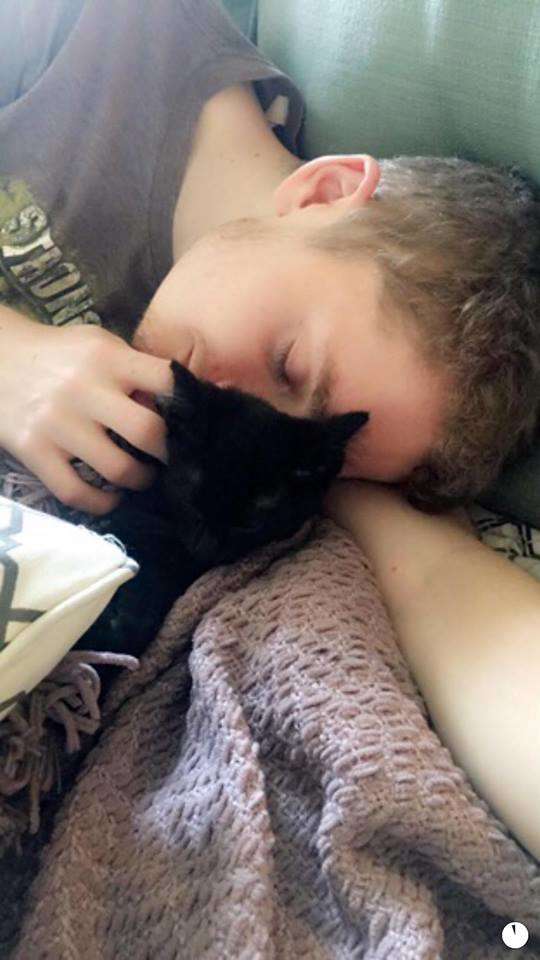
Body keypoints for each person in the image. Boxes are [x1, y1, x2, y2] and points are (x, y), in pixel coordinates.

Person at [1, 0, 539, 859]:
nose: (241, 421)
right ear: (324, 194)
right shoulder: (104, 35)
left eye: (322, 452)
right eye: (289, 366)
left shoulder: (299, 459)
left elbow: (445, 592)